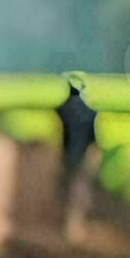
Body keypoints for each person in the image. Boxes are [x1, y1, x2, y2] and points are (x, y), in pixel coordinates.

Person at [54, 77, 98, 241]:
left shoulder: (63, 108)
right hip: (84, 156)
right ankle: (74, 227)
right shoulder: (90, 109)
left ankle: (68, 227)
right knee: (80, 189)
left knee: (69, 188)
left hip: (70, 157)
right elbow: (93, 137)